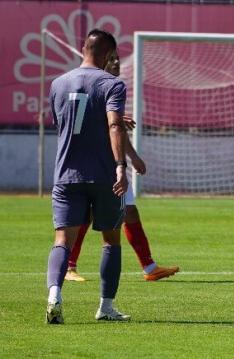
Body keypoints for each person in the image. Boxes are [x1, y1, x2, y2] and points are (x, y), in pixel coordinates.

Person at [64, 49, 179, 283]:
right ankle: (68, 267)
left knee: (130, 211)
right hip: (94, 165)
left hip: (114, 166)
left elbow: (116, 133)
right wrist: (107, 118)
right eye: (112, 59)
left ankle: (149, 267)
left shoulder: (115, 87)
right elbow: (79, 121)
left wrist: (134, 157)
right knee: (86, 216)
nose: (117, 63)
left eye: (118, 59)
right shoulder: (90, 87)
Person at [46, 29, 131, 324]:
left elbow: (63, 124)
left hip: (66, 173)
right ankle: (106, 307)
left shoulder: (57, 84)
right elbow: (114, 126)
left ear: (83, 48)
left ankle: (54, 296)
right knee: (111, 239)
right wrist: (121, 164)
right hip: (104, 175)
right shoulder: (112, 84)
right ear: (109, 56)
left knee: (62, 239)